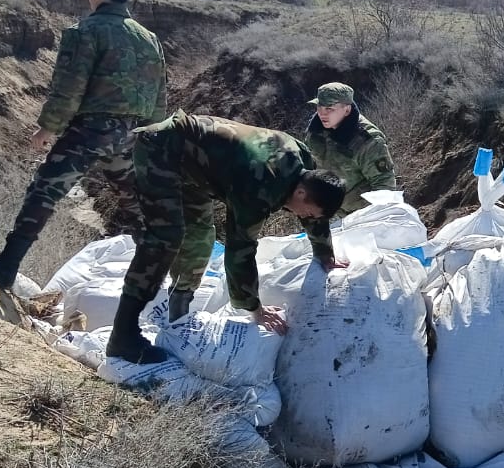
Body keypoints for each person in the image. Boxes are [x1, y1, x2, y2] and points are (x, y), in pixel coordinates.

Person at [0, 0, 167, 289]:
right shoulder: (149, 39)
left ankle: (5, 267)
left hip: (89, 131)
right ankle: (156, 277)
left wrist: (48, 128)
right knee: (135, 204)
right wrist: (149, 137)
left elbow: (68, 88)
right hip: (128, 135)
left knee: (44, 192)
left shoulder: (86, 31)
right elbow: (159, 96)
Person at [106, 110, 348, 364]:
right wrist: (255, 308)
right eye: (308, 212)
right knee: (165, 239)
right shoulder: (260, 186)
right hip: (162, 148)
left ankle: (177, 320)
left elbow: (314, 216)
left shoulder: (304, 164)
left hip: (195, 168)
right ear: (300, 193)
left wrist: (324, 252)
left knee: (200, 240)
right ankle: (123, 336)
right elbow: (240, 250)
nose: (306, 217)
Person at [301, 82, 397, 218]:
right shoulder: (315, 131)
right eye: (319, 106)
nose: (322, 113)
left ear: (347, 110)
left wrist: (376, 219)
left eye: (329, 108)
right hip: (329, 211)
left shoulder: (367, 141)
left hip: (362, 214)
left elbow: (384, 184)